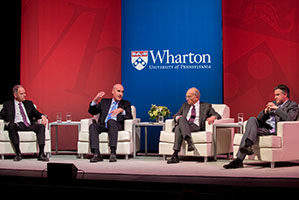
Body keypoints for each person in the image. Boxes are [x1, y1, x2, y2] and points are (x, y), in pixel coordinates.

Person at [224, 84, 299, 169]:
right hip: (266, 128)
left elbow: (289, 118)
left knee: (248, 133)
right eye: (275, 95)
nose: (275, 97)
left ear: (285, 94)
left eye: (277, 95)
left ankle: (239, 160)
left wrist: (277, 109)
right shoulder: (274, 104)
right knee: (252, 119)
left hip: (277, 131)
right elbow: (259, 118)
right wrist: (265, 111)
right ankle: (246, 147)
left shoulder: (293, 105)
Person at [167, 87, 221, 164]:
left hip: (195, 126)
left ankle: (175, 155)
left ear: (197, 97)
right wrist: (177, 117)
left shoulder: (206, 106)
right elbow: (176, 115)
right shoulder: (185, 105)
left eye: (189, 96)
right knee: (180, 124)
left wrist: (213, 117)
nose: (187, 99)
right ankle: (186, 144)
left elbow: (217, 115)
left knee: (179, 125)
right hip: (185, 125)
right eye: (186, 96)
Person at [0, 85, 48, 161]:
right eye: (21, 94)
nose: (24, 95)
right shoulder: (7, 104)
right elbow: (1, 115)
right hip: (16, 125)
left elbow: (36, 113)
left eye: (24, 93)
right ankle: (18, 153)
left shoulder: (29, 103)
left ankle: (41, 154)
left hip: (28, 125)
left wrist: (43, 116)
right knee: (11, 125)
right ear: (15, 95)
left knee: (41, 126)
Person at [88, 84, 133, 162]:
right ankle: (96, 154)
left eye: (122, 92)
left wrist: (122, 111)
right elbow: (92, 111)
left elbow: (130, 116)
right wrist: (95, 101)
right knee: (93, 126)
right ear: (113, 91)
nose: (120, 94)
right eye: (118, 91)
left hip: (115, 126)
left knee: (111, 121)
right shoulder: (104, 102)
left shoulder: (125, 104)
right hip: (103, 125)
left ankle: (113, 153)